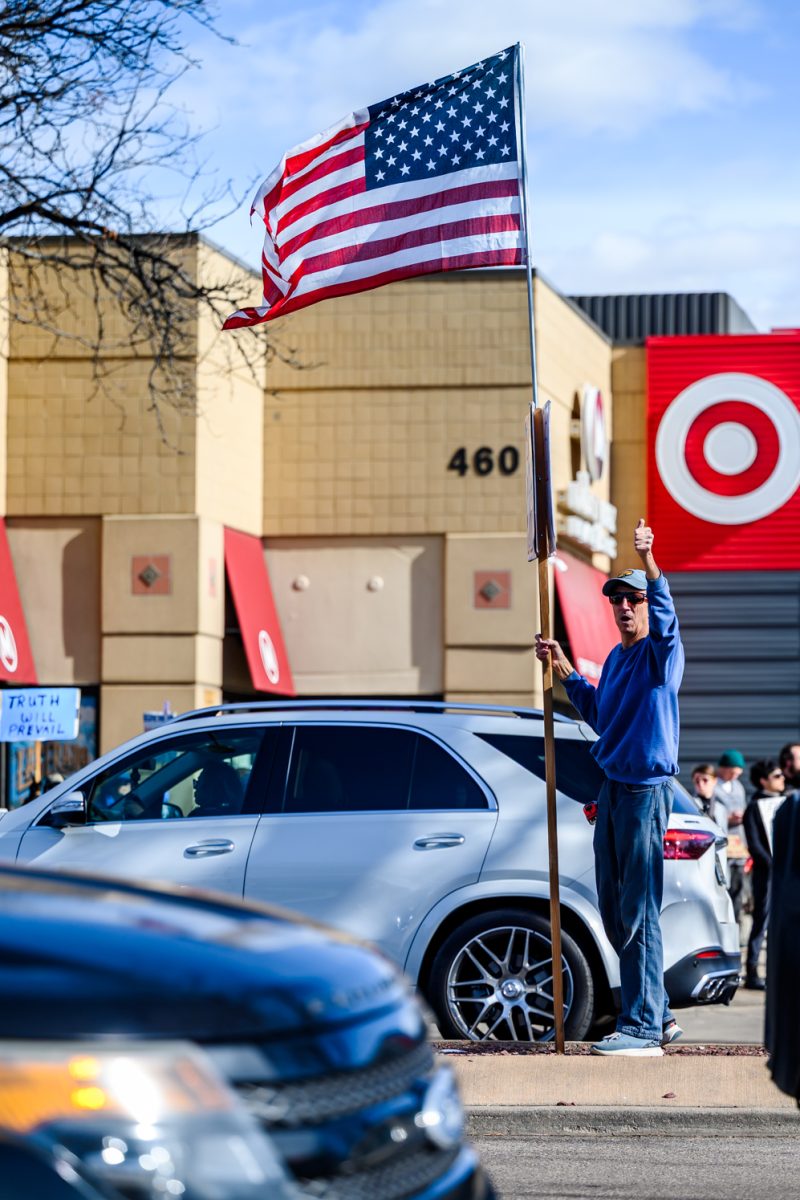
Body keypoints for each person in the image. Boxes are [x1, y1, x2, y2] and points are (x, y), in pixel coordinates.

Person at [535, 519, 684, 1057]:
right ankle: (659, 1014)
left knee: (639, 909)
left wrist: (650, 561)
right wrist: (563, 668)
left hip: (645, 792)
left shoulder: (660, 656)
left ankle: (642, 1027)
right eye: (617, 600)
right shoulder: (619, 659)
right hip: (614, 787)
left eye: (634, 599)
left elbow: (668, 623)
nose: (624, 606)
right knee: (617, 911)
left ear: (648, 604)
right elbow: (602, 714)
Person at [742, 760, 786, 991]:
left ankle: (780, 971)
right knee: (762, 919)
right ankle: (752, 972)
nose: (782, 779)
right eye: (777, 775)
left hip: (786, 870)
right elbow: (754, 843)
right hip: (766, 872)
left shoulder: (787, 802)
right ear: (764, 780)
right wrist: (771, 863)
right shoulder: (754, 806)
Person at [690, 764, 727, 830]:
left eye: (705, 780)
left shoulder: (721, 807)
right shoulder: (689, 804)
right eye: (697, 781)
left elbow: (724, 832)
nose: (701, 784)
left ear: (714, 781)